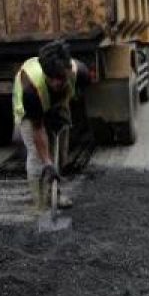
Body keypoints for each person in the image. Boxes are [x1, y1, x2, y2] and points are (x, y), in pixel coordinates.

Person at [12, 39, 90, 212]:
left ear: (69, 70)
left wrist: (61, 110)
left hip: (56, 103)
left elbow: (78, 97)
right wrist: (47, 162)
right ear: (45, 73)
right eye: (51, 79)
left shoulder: (81, 72)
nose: (55, 83)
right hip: (28, 110)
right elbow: (38, 129)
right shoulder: (30, 89)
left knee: (61, 153)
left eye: (60, 79)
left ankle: (55, 192)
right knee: (38, 156)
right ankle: (39, 204)